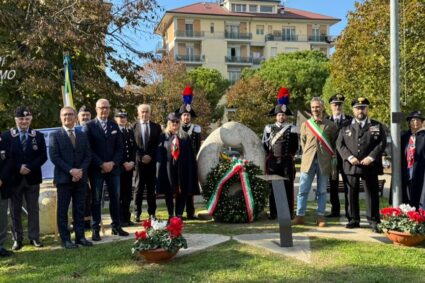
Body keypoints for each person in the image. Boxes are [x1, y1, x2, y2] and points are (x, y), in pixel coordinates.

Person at [337, 97, 386, 233]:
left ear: (367, 109)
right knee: (351, 193)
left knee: (371, 193)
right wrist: (349, 157)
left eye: (363, 107)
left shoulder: (376, 126)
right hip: (351, 165)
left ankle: (373, 220)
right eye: (358, 108)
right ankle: (353, 219)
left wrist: (371, 157)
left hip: (370, 165)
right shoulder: (345, 126)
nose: (360, 110)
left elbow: (381, 143)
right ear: (353, 110)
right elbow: (339, 144)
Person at [49, 106, 93, 249]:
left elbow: (88, 155)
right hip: (64, 179)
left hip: (81, 178)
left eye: (70, 114)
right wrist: (71, 171)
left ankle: (80, 237)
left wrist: (80, 171)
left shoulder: (82, 134)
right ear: (61, 117)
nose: (67, 117)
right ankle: (66, 239)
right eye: (64, 115)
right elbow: (54, 157)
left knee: (79, 209)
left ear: (75, 117)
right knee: (63, 210)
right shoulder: (55, 135)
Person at [85, 99, 128, 241]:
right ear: (96, 109)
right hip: (97, 169)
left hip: (114, 169)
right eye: (102, 108)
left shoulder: (113, 125)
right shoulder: (89, 126)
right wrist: (102, 164)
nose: (104, 110)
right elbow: (88, 150)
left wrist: (113, 163)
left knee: (115, 198)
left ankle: (116, 226)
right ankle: (95, 229)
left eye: (107, 108)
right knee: (96, 199)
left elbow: (120, 147)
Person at [4, 107, 47, 250]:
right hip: (14, 179)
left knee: (33, 209)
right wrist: (18, 168)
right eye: (21, 119)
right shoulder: (7, 136)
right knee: (14, 210)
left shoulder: (38, 136)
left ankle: (34, 237)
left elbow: (42, 156)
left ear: (31, 119)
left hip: (32, 177)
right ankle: (17, 239)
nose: (24, 121)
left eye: (27, 119)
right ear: (16, 120)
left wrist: (29, 167)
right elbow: (6, 157)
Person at [294, 97, 338, 227]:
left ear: (322, 108)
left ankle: (320, 216)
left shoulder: (331, 125)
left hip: (324, 162)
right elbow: (303, 142)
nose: (315, 109)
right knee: (303, 190)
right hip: (308, 161)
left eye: (318, 107)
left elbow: (334, 144)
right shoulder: (305, 125)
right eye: (313, 107)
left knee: (322, 191)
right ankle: (300, 215)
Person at [262, 87, 299, 219]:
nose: (281, 117)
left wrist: (289, 157)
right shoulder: (268, 128)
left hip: (287, 161)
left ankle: (288, 212)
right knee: (273, 188)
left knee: (288, 187)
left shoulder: (293, 128)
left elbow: (295, 146)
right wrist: (270, 157)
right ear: (276, 116)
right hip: (273, 161)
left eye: (283, 115)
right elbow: (265, 145)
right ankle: (273, 212)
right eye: (279, 115)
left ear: (286, 115)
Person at [156, 113, 198, 218]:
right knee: (169, 191)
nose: (175, 124)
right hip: (168, 168)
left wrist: (190, 168)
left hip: (182, 168)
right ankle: (171, 214)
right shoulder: (163, 136)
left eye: (177, 122)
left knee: (182, 190)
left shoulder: (185, 137)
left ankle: (178, 214)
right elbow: (160, 152)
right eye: (172, 122)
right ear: (169, 123)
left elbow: (190, 154)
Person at [175, 86, 201, 219]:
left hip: (191, 162)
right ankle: (178, 212)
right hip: (179, 162)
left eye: (188, 115)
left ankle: (190, 212)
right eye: (184, 115)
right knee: (180, 187)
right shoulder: (176, 129)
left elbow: (197, 146)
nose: (186, 117)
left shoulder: (196, 129)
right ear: (180, 117)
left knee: (191, 187)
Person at [325, 94, 353, 218]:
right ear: (330, 106)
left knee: (349, 185)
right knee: (333, 185)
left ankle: (349, 211)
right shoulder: (326, 120)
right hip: (332, 158)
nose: (338, 107)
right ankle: (335, 210)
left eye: (340, 104)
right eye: (335, 104)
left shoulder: (350, 120)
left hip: (346, 158)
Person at [133, 104, 161, 221]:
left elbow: (158, 144)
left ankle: (152, 213)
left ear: (150, 113)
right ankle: (137, 213)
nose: (144, 114)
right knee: (138, 188)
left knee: (151, 189)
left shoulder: (156, 127)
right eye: (142, 112)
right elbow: (133, 145)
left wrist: (150, 156)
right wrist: (141, 157)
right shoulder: (133, 127)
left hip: (152, 163)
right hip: (139, 164)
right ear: (139, 113)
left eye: (147, 112)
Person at [114, 109, 136, 226]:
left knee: (127, 194)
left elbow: (133, 149)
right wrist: (123, 163)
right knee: (119, 194)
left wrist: (132, 162)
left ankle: (126, 218)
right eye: (119, 117)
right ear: (115, 119)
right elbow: (116, 151)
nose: (122, 119)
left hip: (129, 168)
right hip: (119, 168)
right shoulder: (114, 132)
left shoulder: (129, 131)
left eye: (124, 117)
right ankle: (119, 219)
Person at [401, 110, 425, 209]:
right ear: (409, 122)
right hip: (407, 168)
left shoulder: (424, 136)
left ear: (422, 122)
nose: (415, 122)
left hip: (420, 170)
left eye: (418, 120)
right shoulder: (404, 136)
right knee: (407, 192)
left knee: (419, 192)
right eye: (413, 120)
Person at [0, 132, 15, 257]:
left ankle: (0, 245)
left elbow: (9, 160)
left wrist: (2, 178)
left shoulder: (4, 139)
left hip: (2, 185)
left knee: (2, 217)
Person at [77, 105, 92, 229]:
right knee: (82, 194)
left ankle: (89, 219)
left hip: (93, 166)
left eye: (87, 115)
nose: (85, 117)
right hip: (79, 168)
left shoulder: (93, 128)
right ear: (78, 117)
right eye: (83, 115)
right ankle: (81, 220)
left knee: (91, 195)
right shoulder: (75, 130)